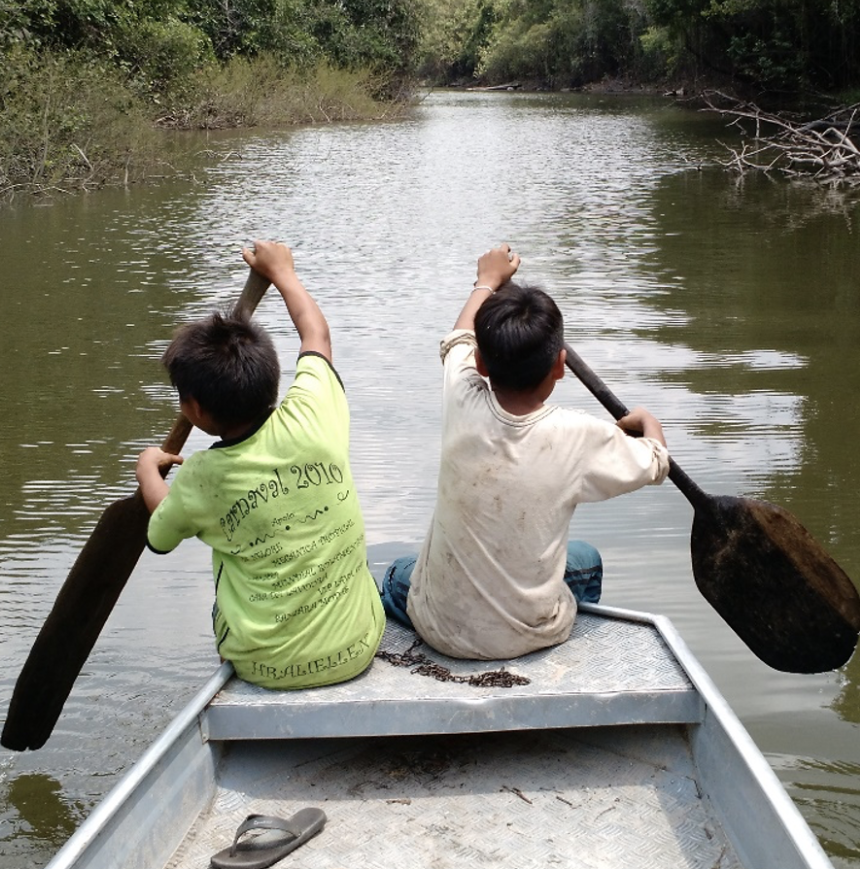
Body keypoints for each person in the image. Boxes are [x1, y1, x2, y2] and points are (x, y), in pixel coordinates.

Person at [380, 244, 670, 660]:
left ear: (481, 363)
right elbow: (656, 462)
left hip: (438, 627)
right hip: (530, 635)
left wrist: (486, 281)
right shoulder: (582, 436)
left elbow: (456, 340)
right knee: (587, 560)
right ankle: (554, 641)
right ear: (560, 366)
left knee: (397, 573)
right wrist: (647, 424)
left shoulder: (462, 396)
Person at [136, 240, 384, 689]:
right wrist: (283, 273)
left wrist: (147, 471)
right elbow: (317, 336)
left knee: (228, 574)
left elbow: (160, 533)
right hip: (358, 649)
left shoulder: (201, 478)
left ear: (193, 407)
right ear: (271, 377)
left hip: (264, 667)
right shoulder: (313, 414)